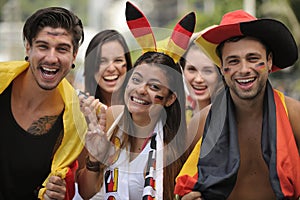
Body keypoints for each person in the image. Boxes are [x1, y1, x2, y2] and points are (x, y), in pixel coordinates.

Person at [175, 10, 300, 200]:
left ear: (269, 61)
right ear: (222, 68)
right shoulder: (202, 122)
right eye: (233, 61)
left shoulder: (294, 115)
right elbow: (177, 187)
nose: (243, 69)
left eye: (252, 58)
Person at [0, 7, 87, 200]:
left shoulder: (74, 124)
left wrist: (52, 194)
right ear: (28, 48)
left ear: (74, 55)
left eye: (62, 49)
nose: (51, 58)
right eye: (43, 46)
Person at [77, 51, 188, 200]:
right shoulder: (110, 119)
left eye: (154, 86)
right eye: (136, 80)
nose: (141, 90)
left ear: (170, 99)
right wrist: (94, 160)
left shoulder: (171, 151)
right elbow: (85, 193)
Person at [179, 33, 223, 125]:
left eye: (207, 71)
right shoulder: (178, 115)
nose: (199, 79)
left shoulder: (228, 117)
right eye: (191, 69)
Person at [83, 29, 132, 107]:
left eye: (118, 60)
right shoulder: (80, 111)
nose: (111, 68)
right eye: (102, 61)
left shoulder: (142, 108)